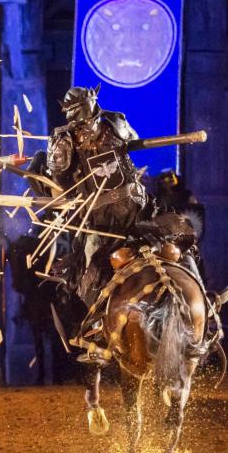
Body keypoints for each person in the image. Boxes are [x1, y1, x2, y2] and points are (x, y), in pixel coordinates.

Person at [45, 85, 152, 305]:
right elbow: (59, 178)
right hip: (104, 212)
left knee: (172, 243)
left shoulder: (114, 121)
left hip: (127, 209)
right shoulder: (66, 137)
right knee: (90, 272)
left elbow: (59, 180)